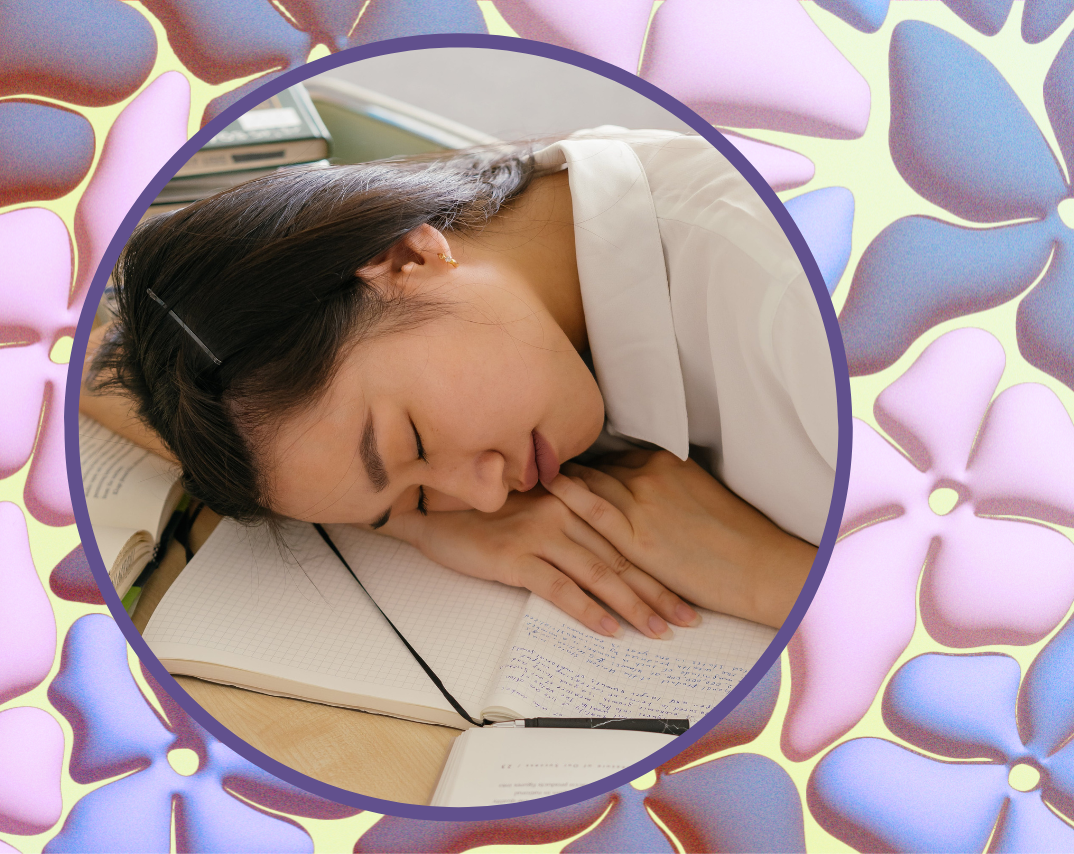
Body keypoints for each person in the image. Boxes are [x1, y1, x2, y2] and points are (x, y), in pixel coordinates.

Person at [84, 127, 838, 644]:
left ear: (410, 257)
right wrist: (422, 524)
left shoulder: (800, 300)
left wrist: (780, 580)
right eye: (416, 492)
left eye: (409, 443)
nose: (484, 498)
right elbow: (91, 352)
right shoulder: (501, 223)